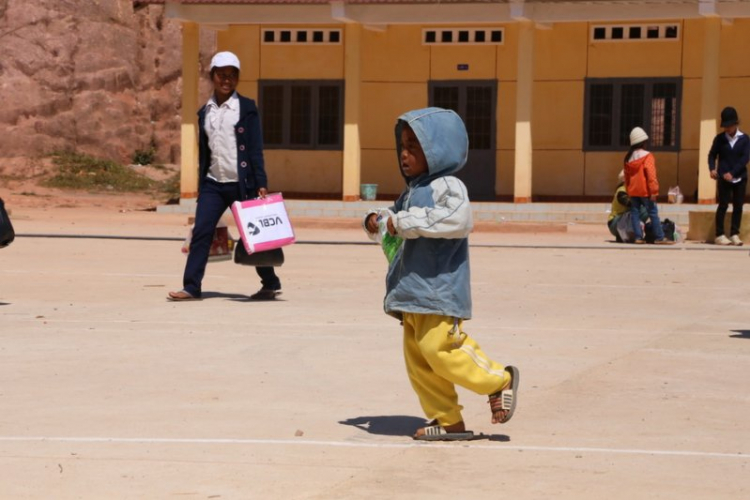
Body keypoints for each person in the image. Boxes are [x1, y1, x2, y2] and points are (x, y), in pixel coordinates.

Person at [363, 107, 519, 441]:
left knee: (441, 349)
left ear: (438, 150)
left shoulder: (448, 186)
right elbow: (396, 224)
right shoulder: (411, 191)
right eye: (402, 146)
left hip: (438, 289)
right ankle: (448, 420)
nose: (405, 154)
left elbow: (457, 220)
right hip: (411, 291)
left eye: (414, 147)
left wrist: (402, 221)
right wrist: (377, 220)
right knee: (419, 361)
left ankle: (498, 380)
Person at [168, 51, 282, 301]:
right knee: (201, 232)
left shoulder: (247, 108)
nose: (226, 80)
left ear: (237, 78)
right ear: (212, 76)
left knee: (254, 235)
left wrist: (261, 182)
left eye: (231, 75)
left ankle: (270, 283)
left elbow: (255, 148)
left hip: (243, 184)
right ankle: (191, 287)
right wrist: (201, 184)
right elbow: (205, 154)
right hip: (213, 184)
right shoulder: (204, 112)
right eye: (221, 75)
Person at [623, 127, 673, 245]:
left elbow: (626, 177)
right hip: (646, 191)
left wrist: (628, 191)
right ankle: (659, 237)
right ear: (643, 142)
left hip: (633, 190)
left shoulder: (628, 157)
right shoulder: (647, 156)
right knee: (653, 213)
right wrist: (654, 191)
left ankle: (638, 237)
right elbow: (651, 175)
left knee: (635, 213)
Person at [708, 106, 750, 246]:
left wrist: (732, 173)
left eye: (729, 126)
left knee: (738, 206)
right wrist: (712, 169)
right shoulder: (719, 139)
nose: (727, 129)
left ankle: (734, 234)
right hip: (723, 179)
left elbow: (745, 159)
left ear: (736, 123)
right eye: (725, 126)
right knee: (723, 205)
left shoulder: (744, 139)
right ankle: (719, 234)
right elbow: (712, 154)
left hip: (739, 178)